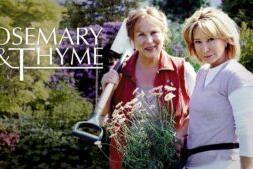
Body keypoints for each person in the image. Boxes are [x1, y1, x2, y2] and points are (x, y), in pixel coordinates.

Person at [100, 6, 196, 169]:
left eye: (154, 33)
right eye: (141, 34)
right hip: (128, 162)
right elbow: (103, 121)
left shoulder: (183, 70)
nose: (149, 40)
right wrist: (105, 88)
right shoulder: (119, 72)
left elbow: (200, 114)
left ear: (164, 34)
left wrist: (179, 135)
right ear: (132, 40)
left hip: (172, 161)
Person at [182, 7, 253, 169]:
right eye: (198, 42)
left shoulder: (236, 75)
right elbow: (199, 117)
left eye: (211, 39)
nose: (204, 49)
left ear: (226, 38)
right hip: (194, 164)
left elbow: (248, 132)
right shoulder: (202, 72)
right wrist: (179, 134)